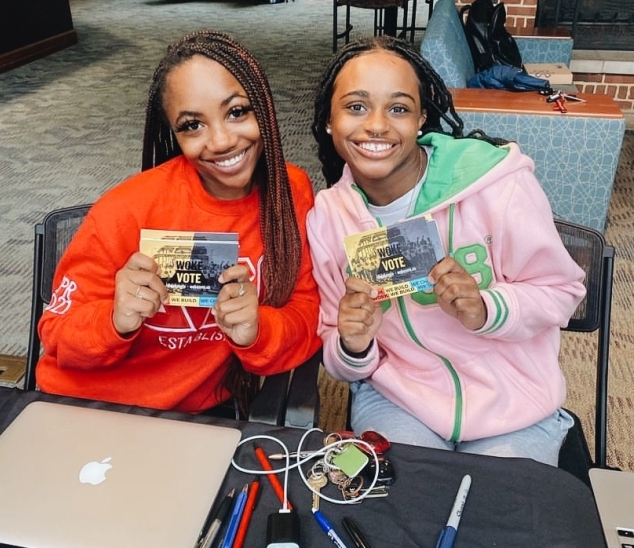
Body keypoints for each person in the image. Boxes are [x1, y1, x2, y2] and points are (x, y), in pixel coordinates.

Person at [306, 35, 586, 466]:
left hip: (516, 403)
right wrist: (353, 344)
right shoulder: (327, 217)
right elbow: (340, 363)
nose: (377, 125)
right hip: (398, 400)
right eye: (356, 106)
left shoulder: (499, 184)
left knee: (500, 523)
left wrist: (486, 308)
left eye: (398, 108)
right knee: (396, 510)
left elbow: (563, 291)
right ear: (329, 120)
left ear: (421, 118)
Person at [37, 30, 321, 418]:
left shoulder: (291, 194)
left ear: (264, 107)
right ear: (174, 133)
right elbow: (56, 334)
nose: (221, 141)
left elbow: (306, 310)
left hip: (197, 413)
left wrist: (259, 331)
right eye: (192, 125)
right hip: (86, 405)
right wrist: (114, 321)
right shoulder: (126, 211)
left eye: (237, 112)